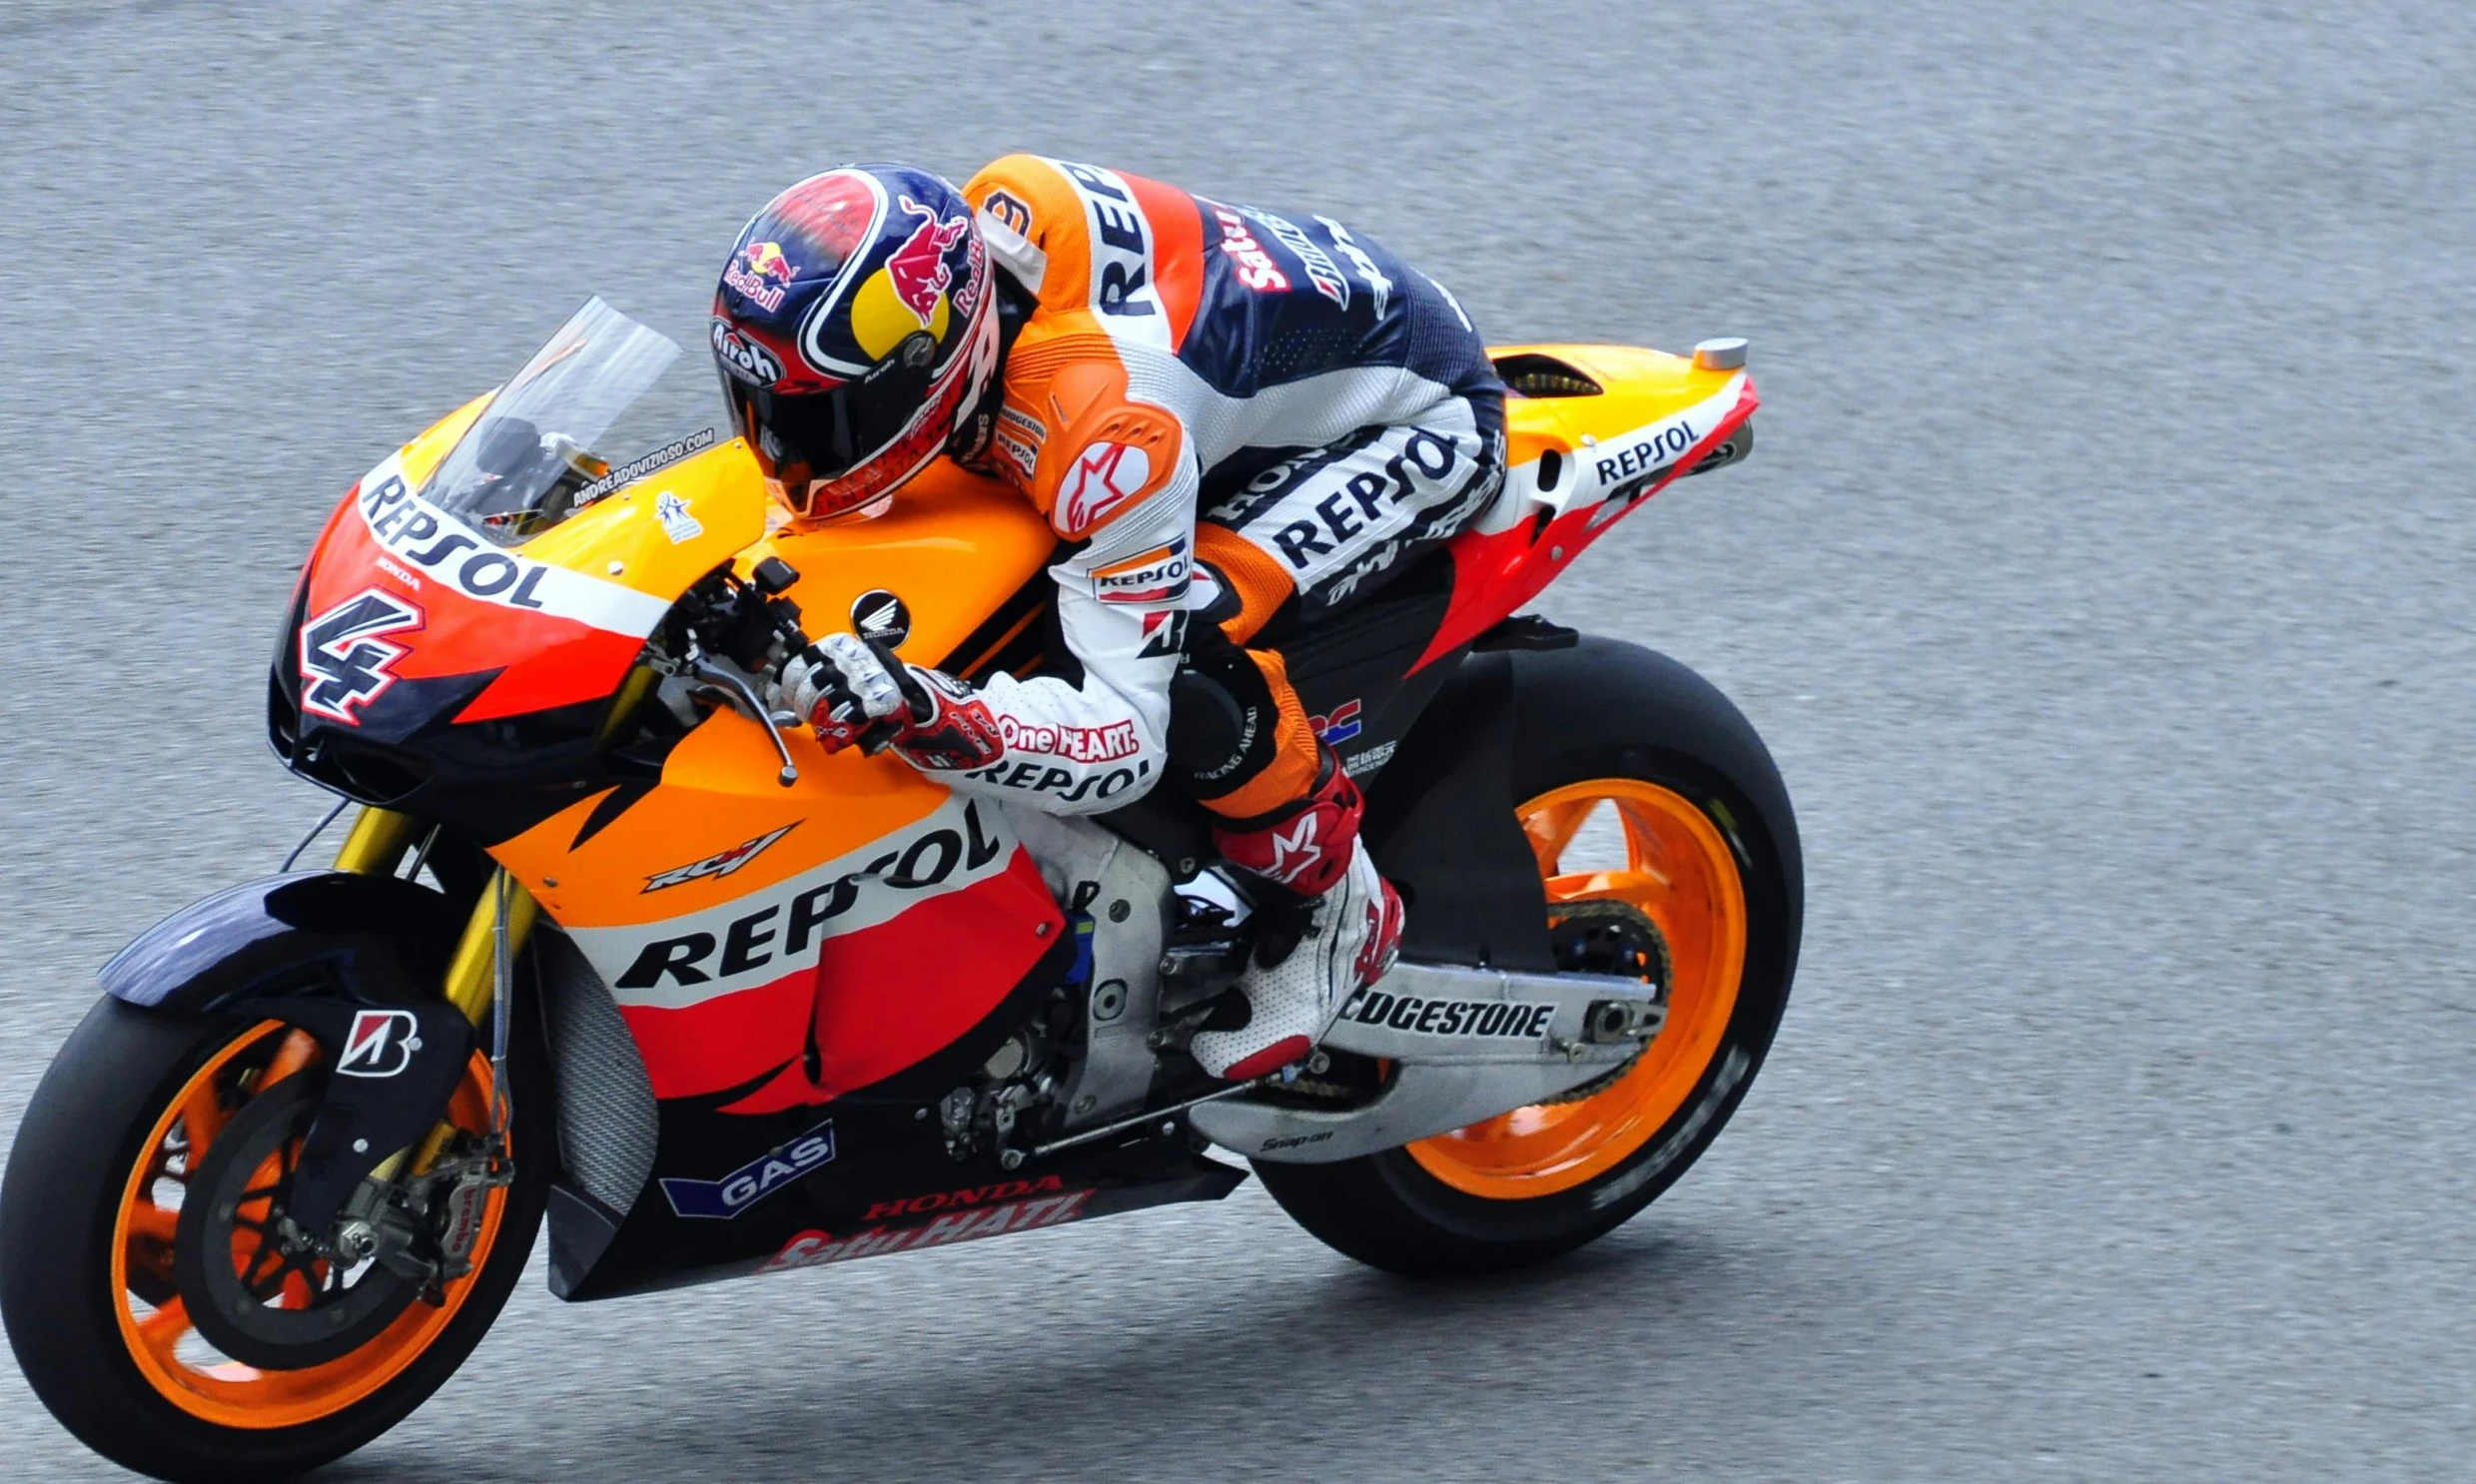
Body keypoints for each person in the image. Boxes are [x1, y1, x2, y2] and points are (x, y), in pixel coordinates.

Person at [713, 160, 1506, 1082]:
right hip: (1252, 358)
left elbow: (1126, 736)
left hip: (1414, 420)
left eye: (822, 421)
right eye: (760, 406)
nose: (780, 450)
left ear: (928, 370)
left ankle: (1338, 913)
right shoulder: (963, 260)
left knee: (1193, 641)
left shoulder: (1108, 435)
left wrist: (927, 710)